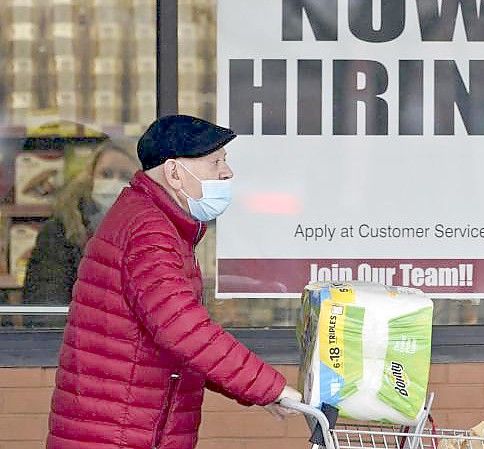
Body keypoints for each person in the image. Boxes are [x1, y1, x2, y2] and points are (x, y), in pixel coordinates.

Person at [47, 115, 301, 449]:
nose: (227, 172)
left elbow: (177, 340)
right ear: (174, 172)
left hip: (118, 428)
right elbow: (183, 329)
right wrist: (270, 387)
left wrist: (253, 391)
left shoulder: (151, 220)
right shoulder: (151, 232)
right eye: (215, 163)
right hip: (119, 433)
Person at [22, 138, 139, 315]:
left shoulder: (157, 232)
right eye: (106, 174)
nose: (114, 183)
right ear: (90, 178)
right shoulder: (60, 232)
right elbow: (46, 306)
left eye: (125, 177)